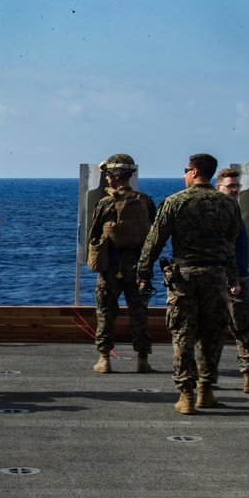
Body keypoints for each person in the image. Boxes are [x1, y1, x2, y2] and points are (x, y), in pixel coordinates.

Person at [138, 154, 241, 415]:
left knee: (183, 332)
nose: (184, 174)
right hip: (216, 275)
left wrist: (143, 272)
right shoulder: (229, 205)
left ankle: (186, 394)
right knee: (212, 333)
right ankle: (206, 390)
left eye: (186, 170)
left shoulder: (175, 202)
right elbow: (230, 246)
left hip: (183, 276)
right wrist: (233, 279)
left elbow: (154, 241)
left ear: (194, 172)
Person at [88, 154, 156, 374]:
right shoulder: (145, 201)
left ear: (116, 175)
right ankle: (143, 360)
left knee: (106, 312)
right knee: (139, 312)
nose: (107, 179)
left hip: (112, 266)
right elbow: (154, 233)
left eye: (108, 174)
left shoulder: (106, 203)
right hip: (139, 267)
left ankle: (104, 359)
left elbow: (93, 234)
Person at [215, 168, 249, 393]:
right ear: (219, 188)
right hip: (224, 280)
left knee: (243, 329)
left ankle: (248, 375)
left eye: (237, 186)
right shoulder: (219, 215)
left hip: (238, 277)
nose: (234, 190)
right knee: (211, 330)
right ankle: (207, 377)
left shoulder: (235, 212)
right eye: (230, 186)